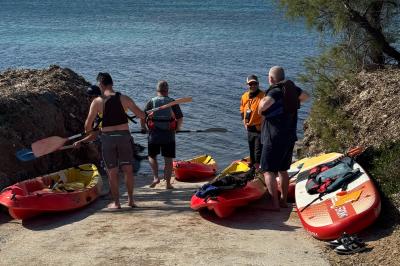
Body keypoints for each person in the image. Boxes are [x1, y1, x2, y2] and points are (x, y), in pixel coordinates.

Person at [74, 72, 146, 209]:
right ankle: (131, 201)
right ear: (112, 83)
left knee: (112, 172)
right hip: (124, 137)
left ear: (101, 84)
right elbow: (142, 115)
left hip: (107, 139)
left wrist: (92, 130)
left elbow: (87, 126)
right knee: (128, 169)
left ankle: (117, 203)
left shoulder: (97, 102)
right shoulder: (124, 98)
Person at [258, 66, 310, 210]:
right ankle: (283, 201)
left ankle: (274, 204)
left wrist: (261, 107)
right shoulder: (291, 90)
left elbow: (263, 105)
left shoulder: (275, 91)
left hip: (273, 138)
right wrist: (290, 102)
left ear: (271, 79)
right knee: (283, 170)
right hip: (289, 136)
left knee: (268, 170)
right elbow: (306, 96)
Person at [141, 80, 183, 189]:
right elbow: (180, 118)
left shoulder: (151, 101)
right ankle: (168, 184)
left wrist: (143, 127)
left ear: (157, 90)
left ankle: (155, 177)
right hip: (168, 135)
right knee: (168, 160)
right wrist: (177, 128)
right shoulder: (172, 102)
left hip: (154, 134)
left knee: (152, 156)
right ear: (167, 90)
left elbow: (142, 116)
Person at [240, 75, 265, 169]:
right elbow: (242, 110)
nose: (253, 85)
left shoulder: (263, 96)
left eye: (255, 83)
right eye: (251, 84)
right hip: (249, 129)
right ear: (247, 85)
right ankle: (253, 168)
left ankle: (258, 170)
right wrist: (244, 122)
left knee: (258, 152)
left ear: (258, 84)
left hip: (259, 129)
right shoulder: (244, 96)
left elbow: (268, 112)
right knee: (252, 150)